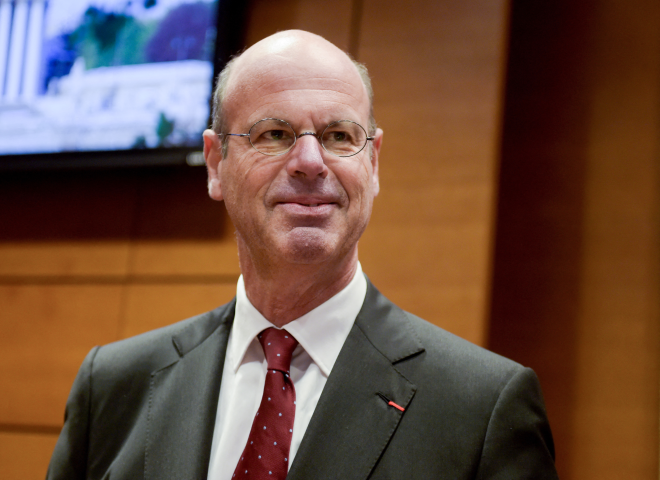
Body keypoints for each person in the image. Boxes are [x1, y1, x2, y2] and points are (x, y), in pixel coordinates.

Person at [47, 30, 558, 479]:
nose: (311, 162)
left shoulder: (484, 408)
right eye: (274, 134)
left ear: (373, 163)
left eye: (339, 136)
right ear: (215, 164)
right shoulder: (113, 386)